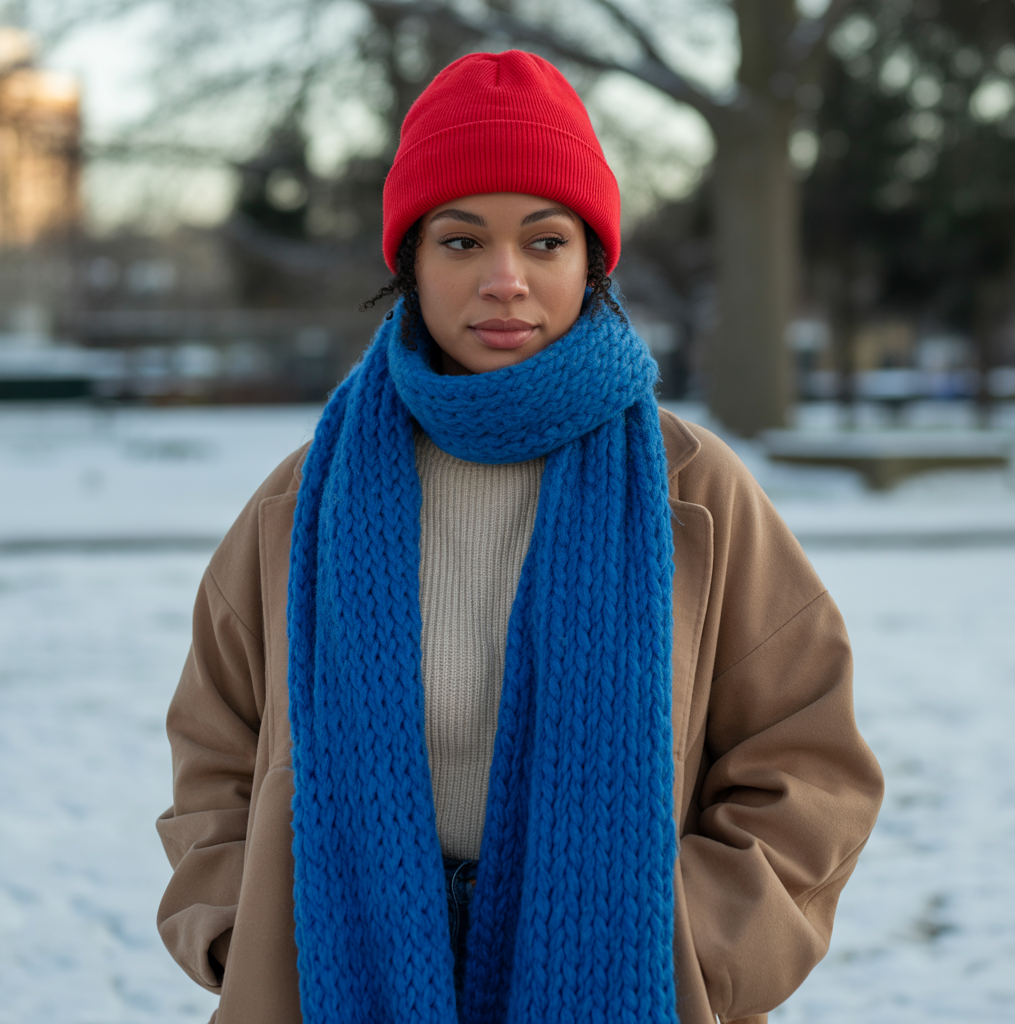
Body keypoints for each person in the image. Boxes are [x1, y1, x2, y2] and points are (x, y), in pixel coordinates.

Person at [156, 50, 883, 1024]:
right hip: (334, 977)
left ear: (591, 262)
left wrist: (696, 947)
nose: (505, 280)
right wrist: (237, 927)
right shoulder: (306, 499)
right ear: (409, 260)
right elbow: (214, 745)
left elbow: (805, 758)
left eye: (544, 242)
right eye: (461, 242)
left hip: (623, 979)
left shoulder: (692, 493)